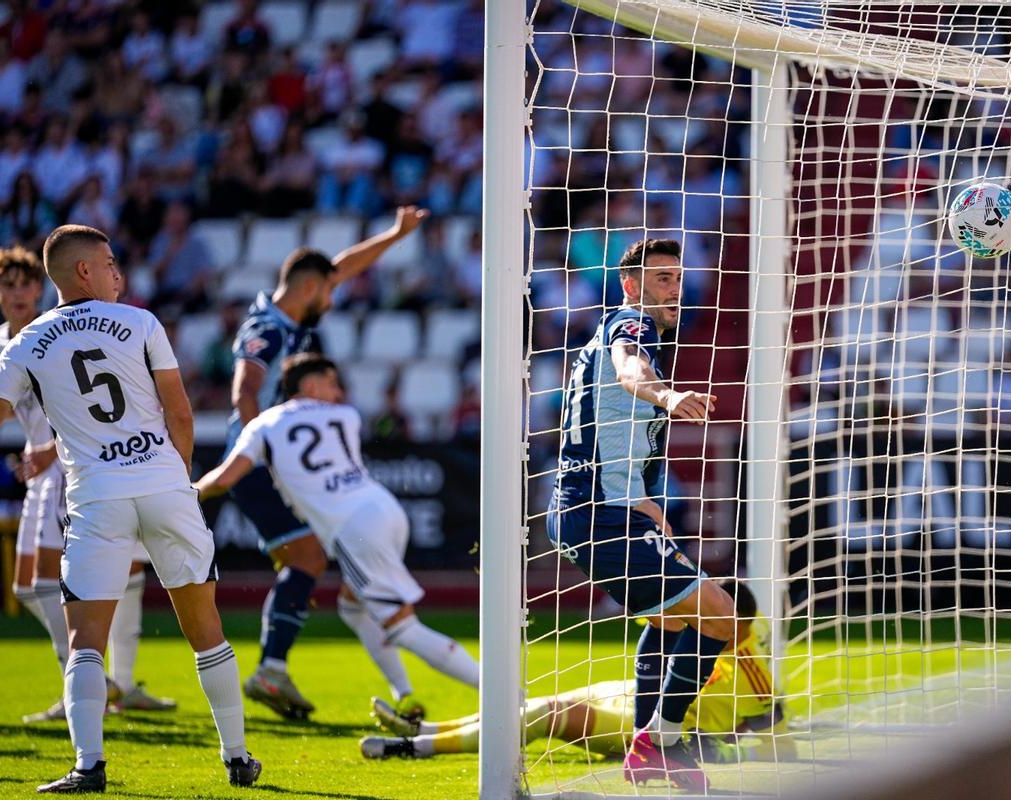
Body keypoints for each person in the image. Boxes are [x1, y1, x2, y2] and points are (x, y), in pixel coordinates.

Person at [0, 225, 260, 792]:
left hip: (95, 497)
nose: (119, 272)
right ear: (83, 270)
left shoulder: (23, 344)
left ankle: (88, 766)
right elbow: (179, 413)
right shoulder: (141, 322)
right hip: (164, 486)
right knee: (206, 629)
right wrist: (176, 478)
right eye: (110, 262)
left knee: (85, 642)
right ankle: (237, 758)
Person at [546, 238, 732, 792]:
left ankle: (651, 746)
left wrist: (643, 497)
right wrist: (668, 397)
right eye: (661, 278)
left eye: (678, 278)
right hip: (599, 514)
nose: (674, 289)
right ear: (631, 285)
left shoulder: (610, 333)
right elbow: (631, 370)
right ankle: (660, 742)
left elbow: (617, 425)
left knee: (669, 620)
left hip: (592, 508)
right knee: (722, 617)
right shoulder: (631, 325)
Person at [196, 353, 479, 719]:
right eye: (331, 383)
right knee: (352, 605)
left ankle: (506, 697)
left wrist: (188, 492)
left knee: (404, 627)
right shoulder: (346, 415)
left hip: (354, 527)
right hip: (385, 510)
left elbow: (224, 479)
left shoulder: (263, 425)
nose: (338, 392)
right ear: (310, 385)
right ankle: (405, 695)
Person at [226, 206, 427, 720]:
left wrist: (394, 234)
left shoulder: (289, 319)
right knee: (308, 557)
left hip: (272, 463)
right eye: (329, 291)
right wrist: (263, 454)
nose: (334, 299)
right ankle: (271, 670)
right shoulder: (267, 329)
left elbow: (342, 266)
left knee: (308, 558)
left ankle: (273, 668)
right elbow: (245, 391)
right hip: (257, 465)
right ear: (309, 287)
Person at [0, 245, 176, 722]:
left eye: (26, 284)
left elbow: (84, 407)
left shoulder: (52, 333)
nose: (18, 293)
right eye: (8, 285)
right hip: (44, 475)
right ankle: (99, 678)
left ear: (41, 287)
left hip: (73, 467)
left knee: (77, 578)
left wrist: (48, 450)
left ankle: (99, 681)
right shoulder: (2, 344)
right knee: (29, 587)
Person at [360, 581, 795, 765]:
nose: (701, 617)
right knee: (538, 704)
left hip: (652, 725)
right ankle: (427, 728)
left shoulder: (752, 671)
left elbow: (779, 740)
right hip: (635, 692)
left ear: (735, 623)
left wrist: (720, 750)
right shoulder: (741, 623)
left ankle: (412, 747)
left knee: (545, 715)